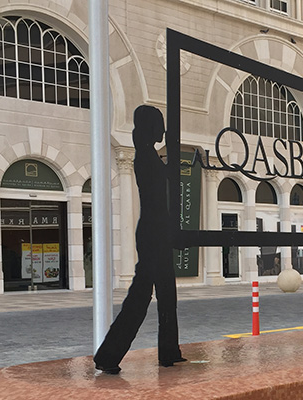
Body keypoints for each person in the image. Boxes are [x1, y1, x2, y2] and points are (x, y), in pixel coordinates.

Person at [94, 105, 186, 374]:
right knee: (141, 296)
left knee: (166, 295)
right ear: (150, 126)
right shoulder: (145, 157)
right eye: (160, 124)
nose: (163, 131)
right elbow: (159, 195)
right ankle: (108, 355)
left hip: (156, 231)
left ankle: (169, 351)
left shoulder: (149, 156)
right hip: (154, 232)